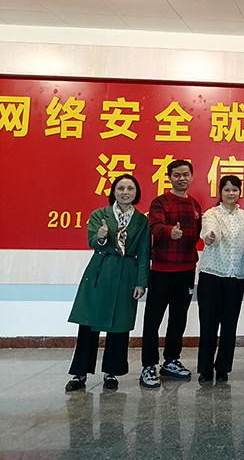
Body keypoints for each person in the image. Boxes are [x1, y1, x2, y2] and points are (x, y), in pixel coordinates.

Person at [65, 174, 149, 392]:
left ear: (136, 193)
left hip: (126, 273)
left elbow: (144, 252)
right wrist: (101, 236)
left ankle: (111, 372)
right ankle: (80, 373)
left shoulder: (141, 221)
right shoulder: (99, 215)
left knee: (119, 324)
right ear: (113, 191)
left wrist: (141, 282)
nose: (125, 192)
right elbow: (92, 242)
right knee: (88, 324)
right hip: (100, 271)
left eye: (130, 188)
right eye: (120, 188)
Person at [140, 159, 202, 388]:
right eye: (177, 175)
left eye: (185, 174)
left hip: (186, 270)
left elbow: (196, 235)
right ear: (169, 177)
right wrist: (169, 232)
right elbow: (154, 226)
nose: (181, 178)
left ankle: (171, 360)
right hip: (161, 270)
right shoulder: (160, 202)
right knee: (152, 320)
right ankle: (148, 365)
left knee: (178, 318)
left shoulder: (195, 205)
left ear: (191, 176)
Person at [197, 175, 244, 384]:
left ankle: (223, 368)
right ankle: (205, 369)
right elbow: (209, 231)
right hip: (211, 275)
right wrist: (210, 236)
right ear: (220, 192)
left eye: (234, 189)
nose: (231, 193)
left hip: (235, 277)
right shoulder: (211, 213)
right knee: (208, 325)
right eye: (227, 189)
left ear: (240, 192)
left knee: (230, 325)